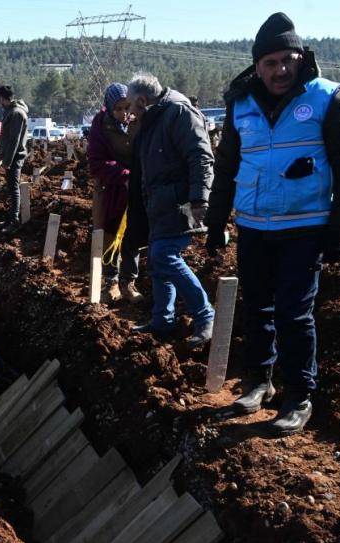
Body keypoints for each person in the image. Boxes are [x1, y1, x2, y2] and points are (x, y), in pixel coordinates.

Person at [205, 13, 340, 436]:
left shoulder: (329, 98)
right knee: (256, 307)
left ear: (301, 59)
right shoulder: (240, 103)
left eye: (287, 60)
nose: (280, 70)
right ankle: (258, 381)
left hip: (305, 226)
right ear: (257, 66)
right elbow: (227, 166)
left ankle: (299, 395)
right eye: (270, 62)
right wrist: (215, 220)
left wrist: (339, 230)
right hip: (255, 225)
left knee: (295, 314)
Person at [123, 72, 215, 348]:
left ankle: (205, 315)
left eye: (130, 106)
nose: (129, 112)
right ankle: (163, 320)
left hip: (180, 201)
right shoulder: (154, 117)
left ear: (142, 99)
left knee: (165, 254)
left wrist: (199, 199)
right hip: (159, 202)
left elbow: (200, 155)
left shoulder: (178, 112)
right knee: (157, 259)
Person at [86, 83, 143, 304]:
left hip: (138, 188)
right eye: (118, 109)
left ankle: (128, 282)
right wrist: (123, 176)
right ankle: (111, 281)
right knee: (110, 233)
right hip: (111, 189)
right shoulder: (101, 125)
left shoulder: (140, 121)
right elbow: (96, 162)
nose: (124, 113)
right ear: (109, 108)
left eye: (127, 107)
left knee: (134, 235)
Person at [0, 85, 29, 232]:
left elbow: (14, 140)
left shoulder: (16, 113)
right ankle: (10, 217)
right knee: (10, 187)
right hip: (10, 156)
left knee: (14, 188)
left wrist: (7, 161)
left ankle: (13, 221)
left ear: (3, 98)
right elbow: (6, 137)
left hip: (15, 157)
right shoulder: (10, 111)